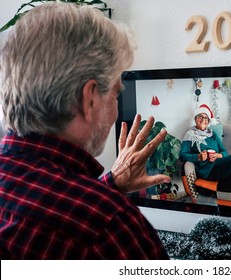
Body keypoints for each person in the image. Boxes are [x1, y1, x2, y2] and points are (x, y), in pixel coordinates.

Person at [0, 2, 171, 259]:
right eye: (116, 93)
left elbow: (47, 204)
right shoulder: (109, 228)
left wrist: (109, 186)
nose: (115, 110)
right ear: (89, 99)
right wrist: (104, 201)